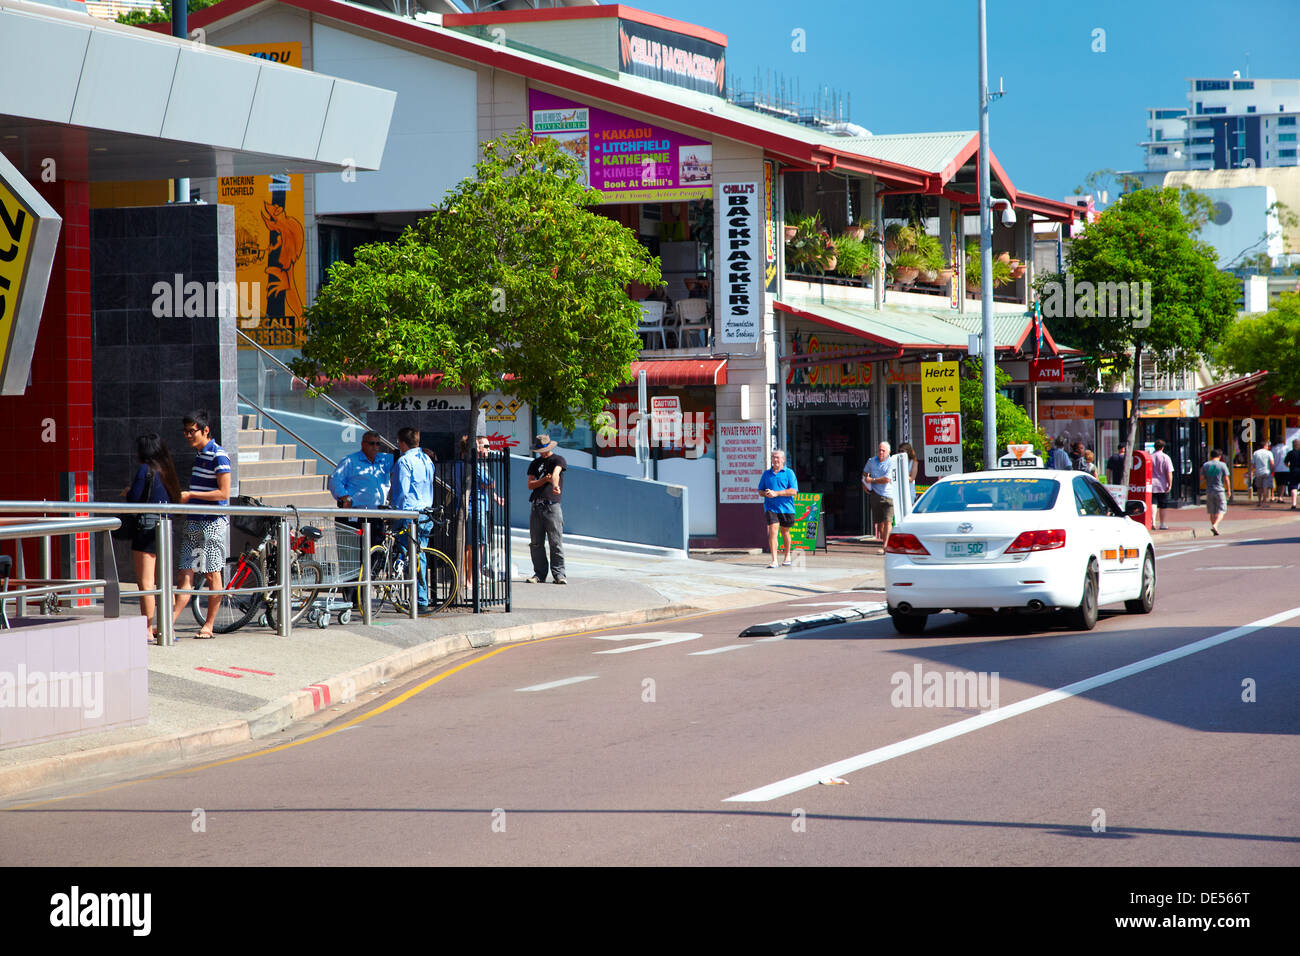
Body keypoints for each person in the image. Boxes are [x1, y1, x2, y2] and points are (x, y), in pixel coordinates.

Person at [170, 409, 232, 638]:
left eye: (191, 431)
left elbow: (224, 493)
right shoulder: (199, 456)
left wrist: (191, 496)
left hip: (213, 522)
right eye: (185, 432)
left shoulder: (219, 455)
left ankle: (209, 625)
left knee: (211, 573)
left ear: (205, 430)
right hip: (194, 521)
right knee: (184, 573)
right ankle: (169, 622)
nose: (187, 436)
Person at [121, 434, 182, 642]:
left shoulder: (145, 470)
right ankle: (167, 627)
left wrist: (129, 492)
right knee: (164, 581)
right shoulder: (168, 471)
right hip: (166, 527)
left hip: (146, 527)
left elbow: (135, 498)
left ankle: (147, 629)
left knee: (146, 583)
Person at [390, 426, 435, 610]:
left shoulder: (404, 461)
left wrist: (394, 512)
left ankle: (416, 598)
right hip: (426, 512)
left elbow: (401, 492)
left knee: (407, 554)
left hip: (409, 514)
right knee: (419, 555)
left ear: (401, 443)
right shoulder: (427, 460)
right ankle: (420, 598)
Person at [526, 434, 566, 584]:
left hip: (552, 506)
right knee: (536, 542)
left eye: (543, 449)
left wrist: (555, 485)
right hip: (536, 505)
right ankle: (539, 574)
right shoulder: (535, 463)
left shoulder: (558, 459)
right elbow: (530, 484)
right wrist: (544, 480)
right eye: (539, 450)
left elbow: (556, 473)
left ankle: (559, 574)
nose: (541, 453)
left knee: (555, 542)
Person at [757, 449, 798, 568]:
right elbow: (760, 490)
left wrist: (777, 493)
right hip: (771, 507)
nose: (775, 460)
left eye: (778, 457)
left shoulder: (789, 473)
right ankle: (774, 560)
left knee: (785, 532)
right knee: (773, 531)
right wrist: (766, 494)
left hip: (786, 508)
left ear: (783, 460)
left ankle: (787, 556)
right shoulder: (766, 474)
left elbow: (793, 491)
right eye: (773, 457)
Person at [861, 441, 894, 552]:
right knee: (880, 523)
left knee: (888, 521)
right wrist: (864, 484)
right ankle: (885, 542)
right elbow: (865, 473)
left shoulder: (891, 462)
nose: (881, 452)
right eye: (879, 450)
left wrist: (872, 480)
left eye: (883, 450)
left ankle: (885, 546)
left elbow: (887, 479)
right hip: (875, 495)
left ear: (888, 452)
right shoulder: (871, 461)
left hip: (889, 495)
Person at [1201, 448, 1231, 535]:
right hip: (1219, 490)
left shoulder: (1206, 465)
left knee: (1212, 511)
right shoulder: (1222, 465)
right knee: (1221, 510)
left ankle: (1214, 528)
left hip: (1209, 490)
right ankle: (1216, 525)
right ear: (1220, 456)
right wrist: (1228, 490)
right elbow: (1226, 478)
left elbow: (1202, 478)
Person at [1150, 439, 1174, 529]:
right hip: (1162, 484)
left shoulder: (1150, 457)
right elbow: (1169, 472)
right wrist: (1169, 483)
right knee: (1163, 505)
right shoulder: (1165, 457)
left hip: (1151, 484)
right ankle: (1162, 523)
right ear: (1163, 447)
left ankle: (1153, 522)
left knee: (1153, 503)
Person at [1251, 438, 1274, 507]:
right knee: (1265, 487)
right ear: (1265, 446)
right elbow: (1271, 463)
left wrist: (1251, 472)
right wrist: (1273, 471)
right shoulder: (1269, 453)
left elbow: (1253, 464)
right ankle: (1265, 501)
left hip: (1258, 472)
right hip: (1267, 472)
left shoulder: (1255, 453)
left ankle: (1259, 501)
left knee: (1259, 487)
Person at [1271, 436, 1288, 504]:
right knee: (1283, 484)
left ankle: (1279, 496)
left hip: (1276, 469)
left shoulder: (1274, 449)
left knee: (1278, 483)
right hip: (1285, 468)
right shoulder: (1286, 448)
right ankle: (1280, 496)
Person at [1287, 438, 1300, 510]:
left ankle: (1293, 504)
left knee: (1294, 487)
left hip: (1293, 471)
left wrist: (1290, 467)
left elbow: (1286, 462)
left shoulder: (1290, 453)